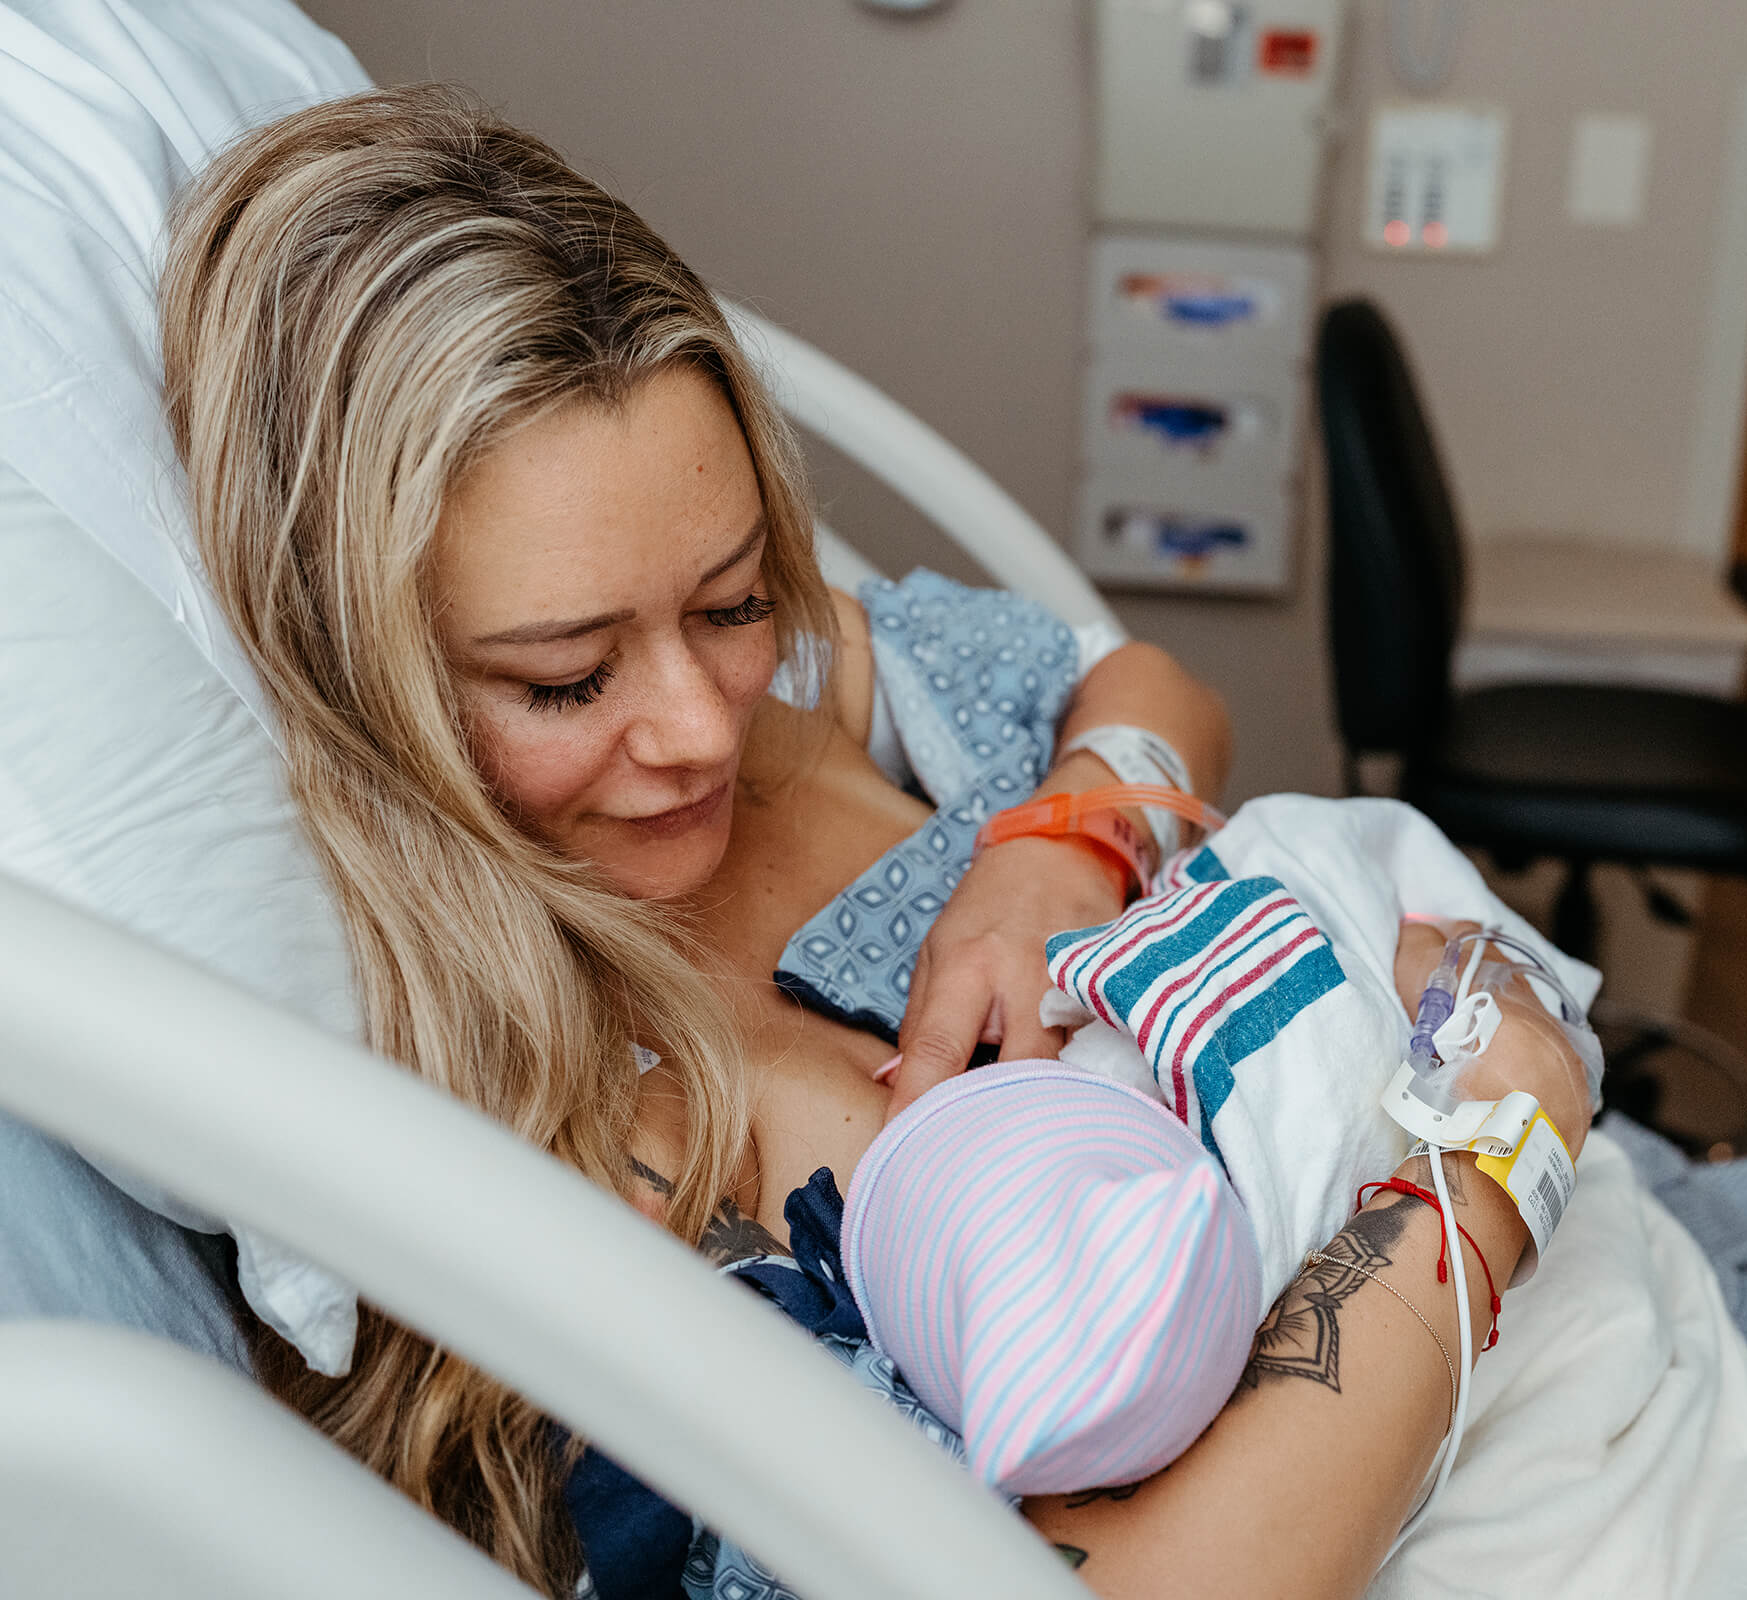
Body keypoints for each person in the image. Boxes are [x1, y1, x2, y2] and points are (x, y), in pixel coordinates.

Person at [159, 85, 1595, 1599]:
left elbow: (1148, 688)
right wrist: (1500, 1151)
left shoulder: (815, 689)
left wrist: (1058, 846)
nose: (705, 727)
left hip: (1633, 1290)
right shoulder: (559, 1142)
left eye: (727, 600)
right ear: (361, 666)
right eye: (568, 677)